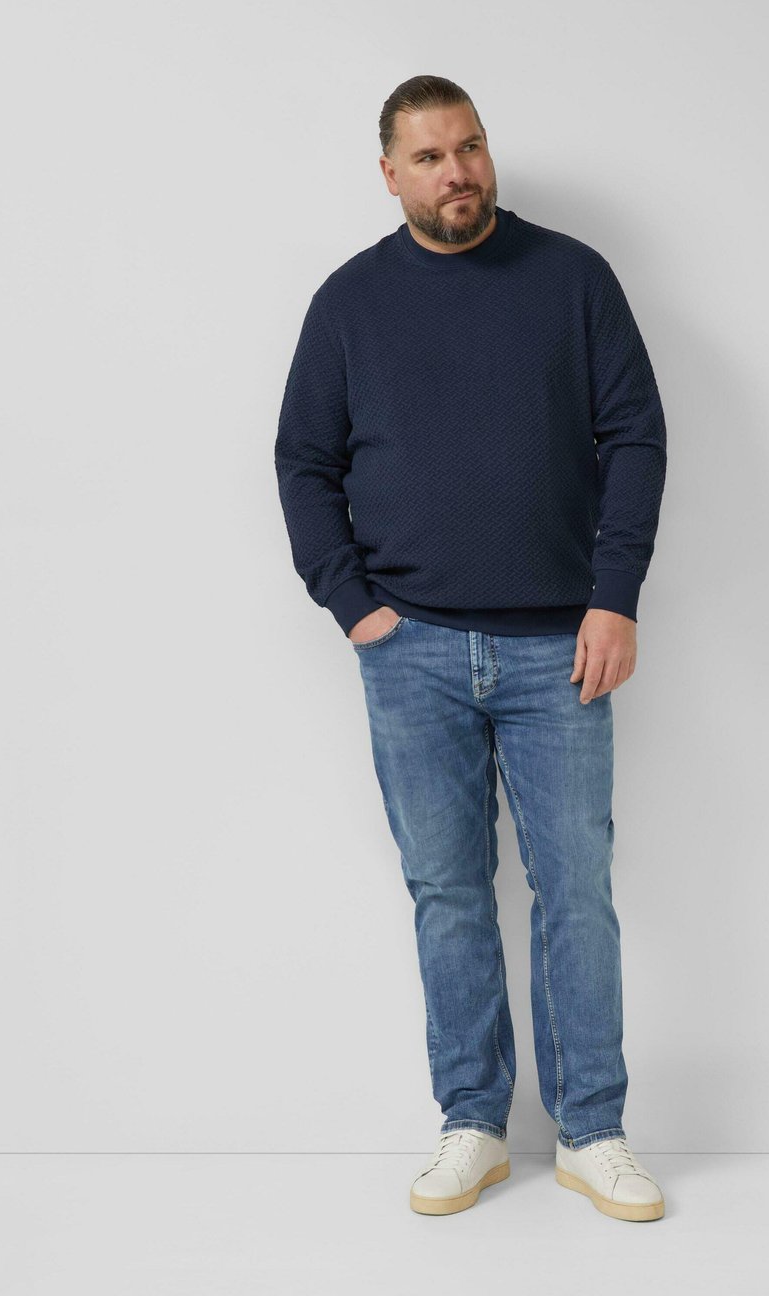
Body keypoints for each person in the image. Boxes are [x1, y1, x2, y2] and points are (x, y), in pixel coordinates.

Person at [274, 74, 668, 1222]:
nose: (459, 172)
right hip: (412, 650)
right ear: (390, 174)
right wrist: (353, 606)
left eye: (472, 147)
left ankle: (592, 1131)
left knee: (576, 889)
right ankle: (474, 1125)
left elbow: (635, 435)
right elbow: (303, 461)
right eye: (431, 156)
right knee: (446, 892)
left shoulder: (573, 280)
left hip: (560, 647)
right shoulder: (349, 304)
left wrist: (614, 597)